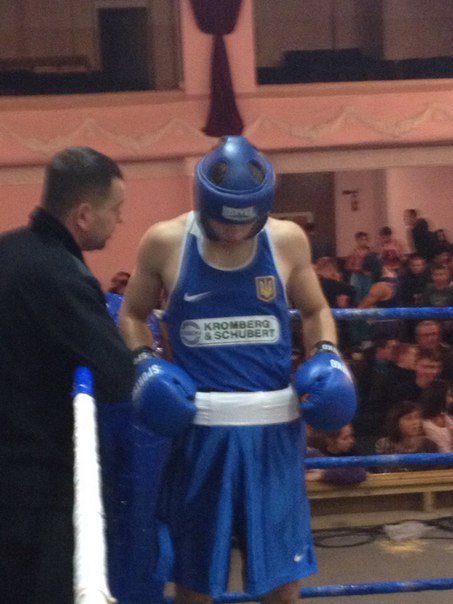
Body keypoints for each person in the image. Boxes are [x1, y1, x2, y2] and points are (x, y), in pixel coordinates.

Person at [120, 136, 357, 604]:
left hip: (274, 435)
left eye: (245, 222)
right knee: (195, 579)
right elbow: (132, 315)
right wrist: (145, 362)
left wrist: (327, 352)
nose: (233, 232)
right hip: (200, 434)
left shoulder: (287, 240)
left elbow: (315, 310)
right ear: (205, 204)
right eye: (223, 222)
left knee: (281, 582)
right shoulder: (165, 241)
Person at [0, 146, 135, 604]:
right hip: (34, 482)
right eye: (115, 209)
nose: (120, 220)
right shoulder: (60, 274)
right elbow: (116, 375)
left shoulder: (9, 250)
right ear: (83, 215)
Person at [374, 400, 439, 472]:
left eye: (417, 417)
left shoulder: (429, 444)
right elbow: (385, 471)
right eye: (408, 418)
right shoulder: (384, 444)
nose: (416, 422)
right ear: (396, 422)